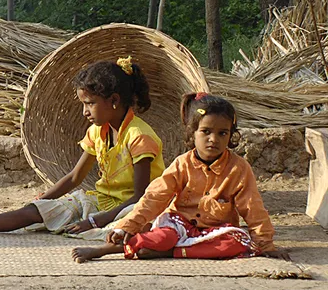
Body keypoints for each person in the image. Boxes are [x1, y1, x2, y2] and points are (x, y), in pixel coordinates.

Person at [0, 57, 164, 242]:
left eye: (90, 103)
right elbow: (75, 177)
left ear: (114, 100)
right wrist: (43, 200)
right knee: (39, 210)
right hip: (101, 201)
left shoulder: (139, 136)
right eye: (83, 104)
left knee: (127, 229)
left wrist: (95, 221)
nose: (85, 111)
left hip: (134, 207)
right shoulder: (98, 132)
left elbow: (140, 197)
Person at [72, 93, 287, 262]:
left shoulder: (239, 169)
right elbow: (154, 197)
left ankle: (168, 252)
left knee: (236, 242)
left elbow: (253, 208)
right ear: (192, 133)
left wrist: (266, 245)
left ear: (231, 135)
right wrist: (128, 226)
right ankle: (107, 249)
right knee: (163, 236)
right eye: (206, 132)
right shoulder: (182, 164)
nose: (214, 139)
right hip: (179, 224)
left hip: (213, 231)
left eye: (223, 133)